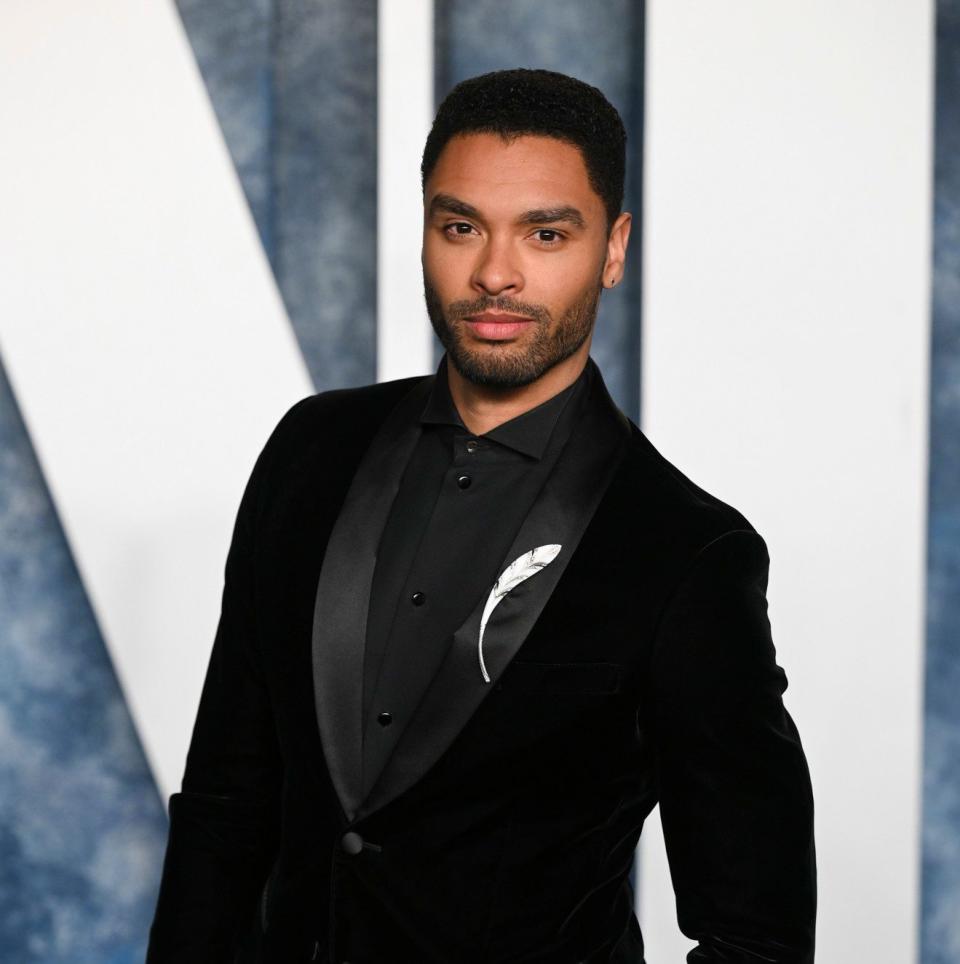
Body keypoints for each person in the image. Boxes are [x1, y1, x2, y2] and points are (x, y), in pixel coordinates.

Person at [147, 68, 816, 963]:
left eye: (546, 233)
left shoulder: (687, 550)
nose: (495, 273)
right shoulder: (311, 450)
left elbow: (756, 931)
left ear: (613, 249)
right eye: (461, 227)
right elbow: (228, 797)